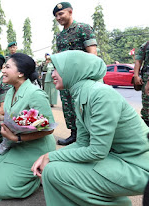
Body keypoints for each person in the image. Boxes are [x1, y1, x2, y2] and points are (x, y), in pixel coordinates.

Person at [32, 50, 149, 206]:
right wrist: (49, 155)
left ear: (74, 69)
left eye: (57, 69)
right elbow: (82, 143)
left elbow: (97, 151)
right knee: (53, 166)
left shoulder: (101, 95)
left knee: (54, 171)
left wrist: (51, 157)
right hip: (117, 160)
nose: (52, 74)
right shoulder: (81, 94)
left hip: (138, 167)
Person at [0, 53, 56, 201]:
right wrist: (1, 117)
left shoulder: (36, 94)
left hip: (35, 147)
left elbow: (49, 128)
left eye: (7, 67)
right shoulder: (10, 91)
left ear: (20, 73)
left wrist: (17, 137)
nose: (2, 71)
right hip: (16, 143)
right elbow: (17, 117)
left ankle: (40, 176)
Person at [54, 2, 97, 146]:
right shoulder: (59, 36)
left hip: (82, 77)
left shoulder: (83, 28)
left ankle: (91, 137)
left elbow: (93, 54)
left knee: (84, 107)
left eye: (61, 14)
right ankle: (75, 134)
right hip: (66, 78)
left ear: (70, 12)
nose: (58, 18)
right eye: (56, 16)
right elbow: (60, 58)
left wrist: (91, 76)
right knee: (69, 107)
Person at [134, 41, 149, 126]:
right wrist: (136, 76)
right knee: (146, 105)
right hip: (145, 79)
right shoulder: (146, 45)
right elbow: (138, 61)